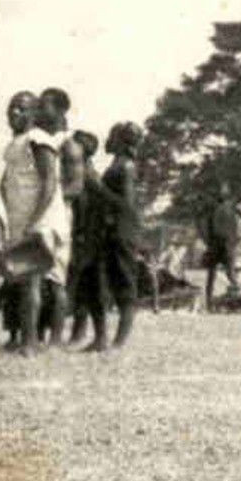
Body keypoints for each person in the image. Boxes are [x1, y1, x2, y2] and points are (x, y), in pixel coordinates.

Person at [0, 91, 66, 356]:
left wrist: (35, 221)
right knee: (26, 279)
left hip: (41, 219)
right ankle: (28, 337)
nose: (15, 113)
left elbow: (50, 181)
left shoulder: (39, 139)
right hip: (22, 219)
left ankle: (31, 342)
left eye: (22, 108)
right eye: (12, 108)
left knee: (33, 279)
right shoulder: (14, 144)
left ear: (35, 114)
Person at [88, 122, 143, 350]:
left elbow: (126, 205)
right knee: (99, 282)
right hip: (109, 229)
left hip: (122, 231)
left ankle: (119, 342)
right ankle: (101, 339)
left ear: (121, 140)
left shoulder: (126, 166)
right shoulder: (117, 164)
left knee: (124, 283)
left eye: (112, 136)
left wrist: (97, 188)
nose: (107, 140)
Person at [38, 88, 82, 343]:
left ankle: (55, 337)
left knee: (55, 279)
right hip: (45, 215)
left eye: (45, 106)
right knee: (39, 278)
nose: (39, 111)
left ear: (61, 111)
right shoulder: (41, 140)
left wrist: (51, 202)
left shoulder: (68, 145)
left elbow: (75, 187)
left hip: (59, 218)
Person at [67, 129, 101, 347]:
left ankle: (79, 332)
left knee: (82, 286)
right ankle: (77, 332)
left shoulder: (88, 176)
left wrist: (81, 234)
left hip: (85, 237)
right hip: (82, 235)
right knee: (79, 285)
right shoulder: (84, 173)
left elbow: (88, 209)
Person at [201, 181, 240, 305]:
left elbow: (234, 228)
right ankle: (209, 299)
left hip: (227, 244)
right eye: (220, 191)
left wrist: (232, 243)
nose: (222, 194)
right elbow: (206, 227)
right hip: (215, 244)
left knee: (231, 272)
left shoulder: (231, 209)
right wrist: (208, 242)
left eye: (224, 191)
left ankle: (236, 297)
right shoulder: (212, 208)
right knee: (211, 273)